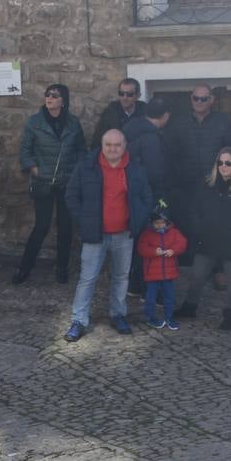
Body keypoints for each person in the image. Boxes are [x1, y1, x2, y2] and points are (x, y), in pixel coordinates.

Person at [62, 129, 152, 341]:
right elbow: (71, 195)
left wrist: (138, 218)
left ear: (124, 145)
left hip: (124, 234)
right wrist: (84, 219)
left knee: (121, 277)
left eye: (117, 145)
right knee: (87, 278)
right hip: (95, 234)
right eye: (109, 145)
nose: (113, 149)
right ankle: (78, 320)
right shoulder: (86, 167)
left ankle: (118, 314)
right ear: (102, 146)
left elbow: (146, 196)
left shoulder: (136, 169)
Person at [176, 146, 231, 332]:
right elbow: (194, 208)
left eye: (228, 163)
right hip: (208, 240)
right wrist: (199, 228)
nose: (223, 166)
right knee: (197, 275)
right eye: (220, 162)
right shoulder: (207, 185)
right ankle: (190, 307)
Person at [14, 83, 85, 285]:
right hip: (43, 182)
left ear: (63, 100)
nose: (50, 98)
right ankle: (25, 267)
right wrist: (34, 169)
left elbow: (81, 150)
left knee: (65, 227)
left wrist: (74, 172)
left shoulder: (73, 123)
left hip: (65, 181)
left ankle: (61, 267)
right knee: (42, 226)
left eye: (55, 95)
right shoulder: (34, 122)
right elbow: (25, 151)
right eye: (47, 94)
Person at [168, 83, 231, 291]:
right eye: (196, 98)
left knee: (215, 226)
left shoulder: (223, 122)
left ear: (212, 100)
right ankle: (191, 270)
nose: (199, 102)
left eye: (204, 99)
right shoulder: (179, 123)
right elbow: (171, 152)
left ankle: (217, 271)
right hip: (186, 184)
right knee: (188, 223)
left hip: (213, 184)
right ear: (191, 99)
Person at [123, 96, 173, 295]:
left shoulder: (131, 131)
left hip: (131, 195)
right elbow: (155, 173)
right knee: (152, 240)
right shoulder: (151, 138)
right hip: (148, 197)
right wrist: (162, 198)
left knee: (137, 240)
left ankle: (135, 284)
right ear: (166, 115)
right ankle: (146, 287)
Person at [135, 207, 187, 329]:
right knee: (150, 298)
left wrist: (173, 250)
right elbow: (141, 248)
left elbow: (182, 243)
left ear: (167, 222)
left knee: (169, 298)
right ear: (152, 223)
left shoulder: (174, 232)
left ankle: (169, 317)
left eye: (162, 223)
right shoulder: (147, 234)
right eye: (157, 223)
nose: (160, 225)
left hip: (168, 274)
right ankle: (150, 317)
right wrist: (154, 251)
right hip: (152, 274)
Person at [91, 78, 146, 149]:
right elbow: (97, 141)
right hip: (115, 156)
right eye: (121, 93)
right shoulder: (110, 113)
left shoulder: (145, 112)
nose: (124, 97)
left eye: (129, 94)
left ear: (138, 95)